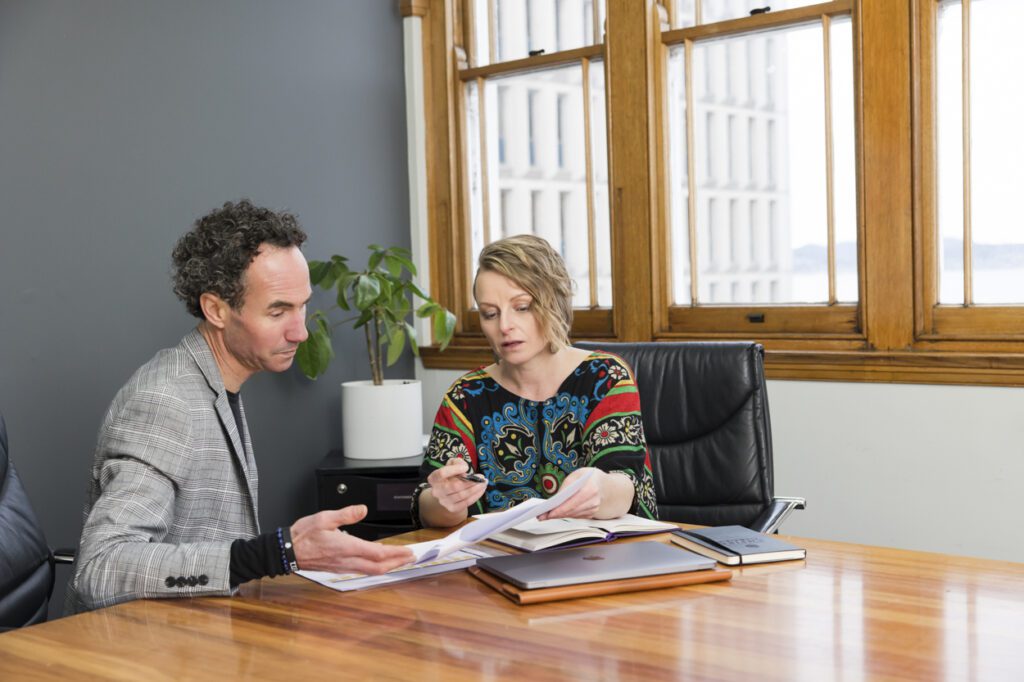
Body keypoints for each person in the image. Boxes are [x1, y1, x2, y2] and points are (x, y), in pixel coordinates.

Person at [66, 200, 413, 614]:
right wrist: (279, 552)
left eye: (302, 305)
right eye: (278, 311)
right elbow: (101, 568)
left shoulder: (218, 378)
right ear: (216, 309)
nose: (301, 331)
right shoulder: (165, 401)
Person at [412, 234, 657, 529]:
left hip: (599, 560)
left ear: (553, 302)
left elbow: (625, 486)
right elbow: (428, 504)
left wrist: (599, 489)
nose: (504, 326)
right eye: (490, 313)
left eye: (522, 307)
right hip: (497, 562)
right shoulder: (466, 395)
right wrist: (445, 500)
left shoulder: (605, 377)